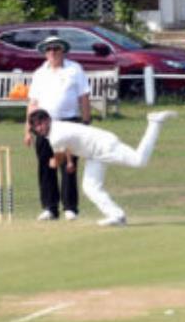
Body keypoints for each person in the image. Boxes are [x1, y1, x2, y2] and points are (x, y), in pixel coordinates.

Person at [26, 108, 176, 227]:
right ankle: (116, 215)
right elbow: (69, 146)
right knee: (90, 187)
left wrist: (53, 163)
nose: (39, 128)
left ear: (48, 120)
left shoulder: (56, 135)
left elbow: (58, 159)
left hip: (103, 147)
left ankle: (154, 122)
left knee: (139, 161)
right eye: (36, 126)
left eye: (41, 123)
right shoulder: (56, 130)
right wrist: (70, 162)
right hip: (94, 154)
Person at [24, 35, 90, 221]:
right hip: (43, 126)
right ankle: (50, 208)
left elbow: (84, 97)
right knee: (46, 166)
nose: (52, 52)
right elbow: (33, 103)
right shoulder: (39, 73)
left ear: (63, 51)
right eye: (48, 49)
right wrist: (28, 130)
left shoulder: (74, 69)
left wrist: (86, 123)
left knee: (69, 165)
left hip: (69, 123)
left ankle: (70, 207)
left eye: (56, 49)